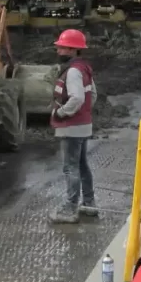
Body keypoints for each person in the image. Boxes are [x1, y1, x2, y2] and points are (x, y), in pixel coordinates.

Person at [49, 29, 99, 224]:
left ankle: (71, 208)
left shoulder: (73, 71)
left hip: (72, 127)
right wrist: (84, 114)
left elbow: (77, 97)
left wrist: (62, 113)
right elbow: (92, 96)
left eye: (62, 46)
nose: (58, 49)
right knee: (81, 165)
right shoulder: (84, 68)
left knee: (71, 167)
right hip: (83, 126)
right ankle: (89, 203)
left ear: (72, 49)